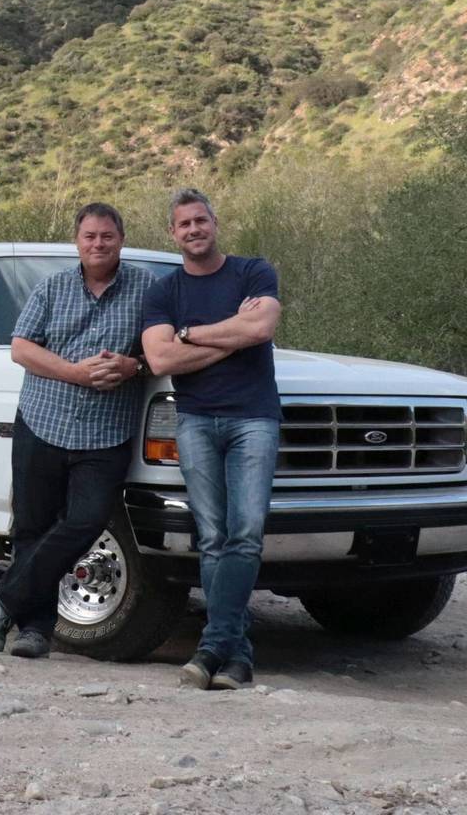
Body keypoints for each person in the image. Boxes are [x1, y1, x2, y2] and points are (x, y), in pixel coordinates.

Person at [0, 202, 151, 659]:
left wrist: (134, 364)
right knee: (32, 527)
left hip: (106, 429)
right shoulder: (52, 287)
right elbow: (21, 349)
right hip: (43, 419)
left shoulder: (147, 290)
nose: (98, 243)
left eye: (107, 236)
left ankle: (6, 594)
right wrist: (75, 373)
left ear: (122, 238)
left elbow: (163, 347)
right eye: (90, 236)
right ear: (77, 241)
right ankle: (35, 630)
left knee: (86, 521)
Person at [140, 188, 282, 690]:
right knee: (212, 537)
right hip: (196, 419)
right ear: (172, 233)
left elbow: (262, 327)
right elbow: (159, 361)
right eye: (184, 224)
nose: (194, 229)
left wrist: (190, 334)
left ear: (215, 223)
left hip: (253, 420)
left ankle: (212, 647)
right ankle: (237, 655)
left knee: (245, 533)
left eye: (201, 220)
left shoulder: (254, 271)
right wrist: (231, 333)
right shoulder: (164, 291)